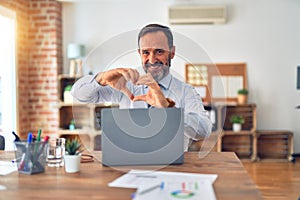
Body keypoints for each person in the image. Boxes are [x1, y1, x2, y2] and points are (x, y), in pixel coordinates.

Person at [71, 23, 212, 151]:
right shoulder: (125, 86)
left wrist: (169, 110)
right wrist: (101, 79)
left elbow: (204, 131)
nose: (151, 59)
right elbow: (78, 94)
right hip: (131, 166)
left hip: (173, 169)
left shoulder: (186, 91)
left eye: (159, 51)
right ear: (140, 53)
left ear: (172, 52)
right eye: (146, 52)